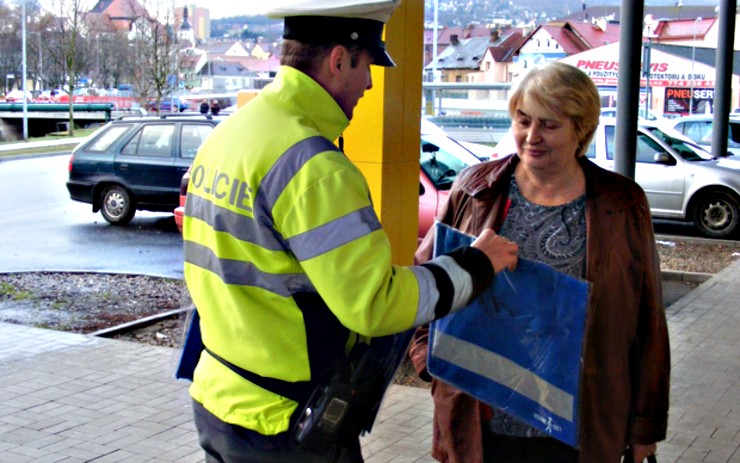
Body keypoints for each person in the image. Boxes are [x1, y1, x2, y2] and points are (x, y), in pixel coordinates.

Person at [181, 1, 519, 462]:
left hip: (223, 398)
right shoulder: (313, 166)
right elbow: (375, 305)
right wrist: (476, 265)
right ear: (339, 59)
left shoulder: (232, 134)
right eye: (367, 66)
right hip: (286, 422)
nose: (370, 83)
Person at [410, 61, 670, 463]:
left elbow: (647, 320)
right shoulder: (477, 189)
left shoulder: (621, 204)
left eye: (549, 125)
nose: (532, 137)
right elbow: (426, 281)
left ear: (580, 129)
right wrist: (430, 362)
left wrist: (643, 431)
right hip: (483, 421)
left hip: (579, 425)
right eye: (523, 120)